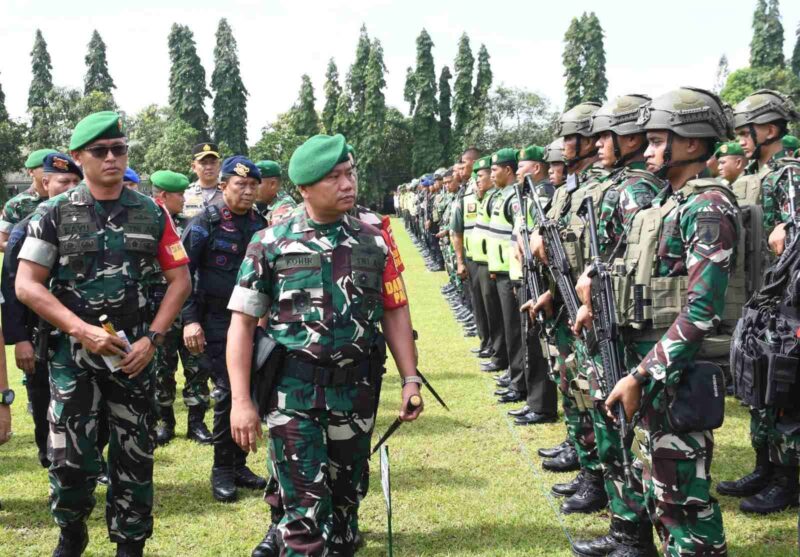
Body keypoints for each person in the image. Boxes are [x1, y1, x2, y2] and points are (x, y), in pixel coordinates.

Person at [226, 133, 422, 557]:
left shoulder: (374, 241)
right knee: (304, 519)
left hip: (356, 392)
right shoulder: (270, 243)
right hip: (293, 393)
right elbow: (242, 325)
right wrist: (241, 401)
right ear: (305, 188)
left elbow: (394, 310)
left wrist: (410, 379)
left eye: (350, 173)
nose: (348, 184)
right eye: (334, 177)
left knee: (346, 509)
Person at [16, 111, 191, 557]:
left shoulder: (151, 212)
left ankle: (130, 544)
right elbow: (27, 284)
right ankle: (71, 529)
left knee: (135, 457)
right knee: (70, 460)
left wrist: (153, 338)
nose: (112, 157)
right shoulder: (53, 213)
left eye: (119, 149)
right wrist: (80, 329)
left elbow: (180, 281)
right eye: (100, 151)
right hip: (73, 358)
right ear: (79, 157)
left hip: (134, 356)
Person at [605, 88, 735, 555]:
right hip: (656, 366)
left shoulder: (708, 207)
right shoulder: (670, 203)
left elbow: (701, 311)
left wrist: (641, 376)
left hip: (677, 372)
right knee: (658, 487)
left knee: (683, 500)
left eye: (659, 141)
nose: (648, 150)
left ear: (692, 143)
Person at [569, 94, 663, 555]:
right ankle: (625, 527)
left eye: (608, 136)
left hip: (627, 324)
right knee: (609, 419)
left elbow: (638, 260)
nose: (599, 144)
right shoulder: (619, 186)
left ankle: (635, 533)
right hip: (608, 317)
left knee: (627, 430)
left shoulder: (637, 190)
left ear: (631, 138)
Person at [718, 90, 800, 516]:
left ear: (768, 129)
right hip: (761, 299)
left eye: (745, 132)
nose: (740, 140)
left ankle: (787, 480)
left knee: (784, 388)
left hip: (787, 303)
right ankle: (764, 467)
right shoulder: (759, 175)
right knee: (758, 382)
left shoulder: (791, 174)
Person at [181, 155, 268, 503]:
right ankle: (222, 469)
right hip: (214, 320)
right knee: (230, 390)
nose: (247, 191)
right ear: (223, 186)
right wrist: (190, 320)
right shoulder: (205, 222)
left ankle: (239, 464)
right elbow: (182, 273)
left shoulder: (260, 225)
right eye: (240, 184)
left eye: (253, 185)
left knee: (251, 388)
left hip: (251, 319)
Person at [1, 153, 83, 470]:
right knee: (43, 397)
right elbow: (11, 288)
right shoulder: (26, 229)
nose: (71, 188)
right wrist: (20, 339)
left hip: (81, 331)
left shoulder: (88, 226)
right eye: (64, 182)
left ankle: (88, 461)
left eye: (76, 182)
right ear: (45, 183)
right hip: (40, 334)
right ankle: (49, 457)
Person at [149, 170, 213, 446]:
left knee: (197, 366)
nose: (184, 199)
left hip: (189, 307)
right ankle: (165, 422)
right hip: (159, 309)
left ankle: (196, 423)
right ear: (163, 196)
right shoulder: (149, 224)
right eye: (179, 194)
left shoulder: (190, 225)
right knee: (162, 369)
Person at [507, 144, 558, 426]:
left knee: (539, 342)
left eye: (522, 166)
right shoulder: (528, 194)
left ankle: (542, 405)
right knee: (530, 339)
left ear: (537, 168)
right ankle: (534, 401)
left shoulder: (543, 194)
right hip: (528, 273)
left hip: (539, 276)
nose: (517, 171)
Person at [0, 148, 57, 251]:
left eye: (56, 166)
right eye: (46, 166)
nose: (53, 170)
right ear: (31, 172)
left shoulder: (67, 198)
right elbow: (2, 243)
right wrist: (35, 251)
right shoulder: (16, 204)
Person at [182, 142, 223, 221]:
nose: (209, 167)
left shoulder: (228, 192)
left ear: (219, 165)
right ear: (194, 167)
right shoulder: (186, 195)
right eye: (203, 163)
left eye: (213, 162)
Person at [255, 160, 297, 225]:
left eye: (257, 183)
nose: (253, 188)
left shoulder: (285, 207)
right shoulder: (272, 205)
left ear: (273, 184)